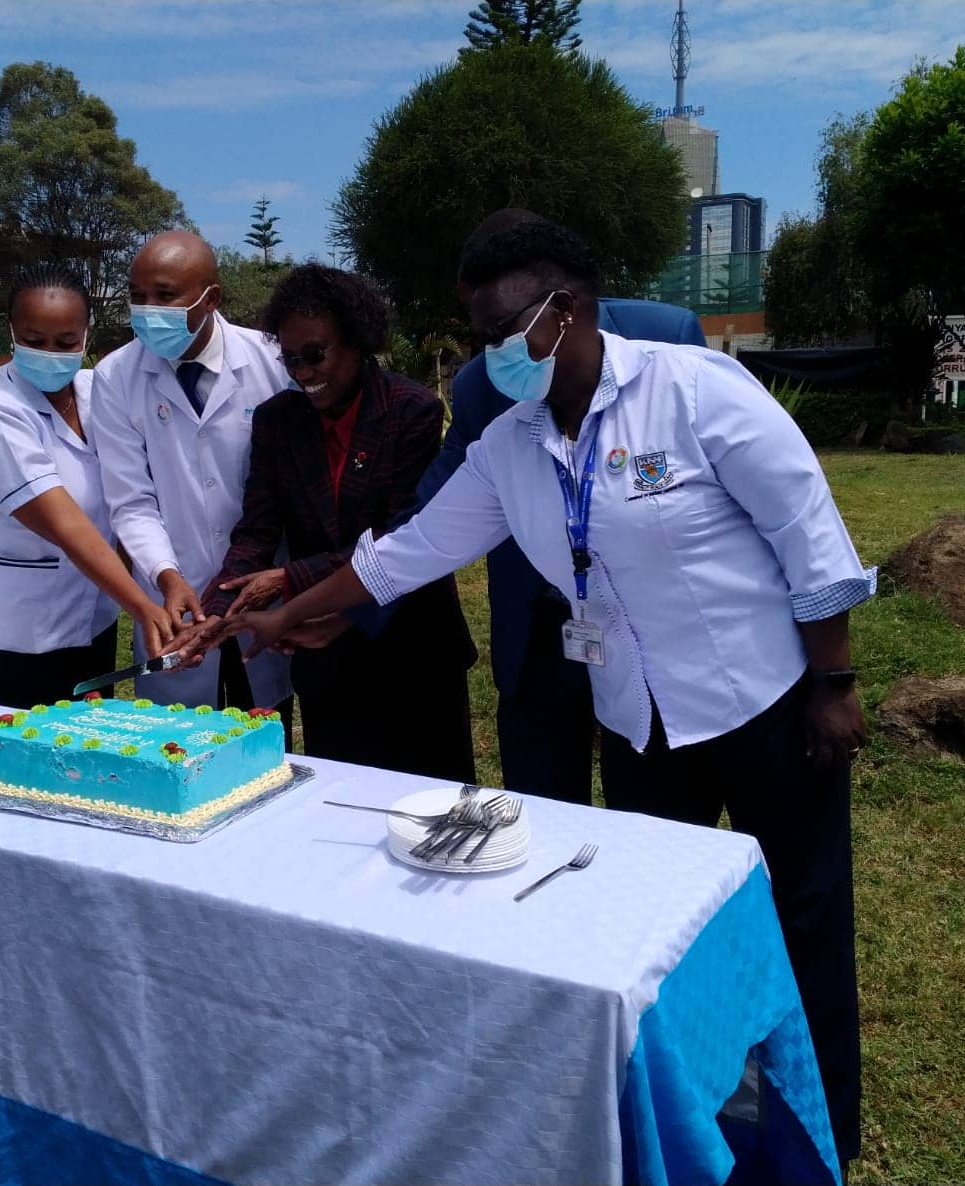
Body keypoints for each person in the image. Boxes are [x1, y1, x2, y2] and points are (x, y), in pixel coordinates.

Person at [219, 218, 873, 1170]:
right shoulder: (510, 446)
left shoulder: (694, 393)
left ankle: (824, 1134)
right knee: (670, 936)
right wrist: (289, 614)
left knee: (803, 916)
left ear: (566, 311)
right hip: (638, 726)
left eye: (503, 329)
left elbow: (807, 531)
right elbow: (406, 554)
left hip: (766, 704)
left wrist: (834, 683)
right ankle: (704, 1125)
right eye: (477, 335)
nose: (491, 356)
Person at [422, 210, 708, 804]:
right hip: (537, 628)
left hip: (645, 629)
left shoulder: (666, 338)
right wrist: (333, 590)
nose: (492, 340)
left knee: (652, 814)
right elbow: (432, 513)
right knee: (544, 806)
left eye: (501, 317)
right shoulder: (481, 383)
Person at [195, 264, 476, 779]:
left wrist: (289, 578)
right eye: (289, 358)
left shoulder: (411, 411)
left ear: (357, 340)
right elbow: (258, 530)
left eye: (315, 354)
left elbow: (400, 539)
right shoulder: (278, 420)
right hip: (327, 663)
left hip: (411, 648)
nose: (302, 372)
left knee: (436, 810)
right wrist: (215, 608)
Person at [0, 262, 177, 710]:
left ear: (86, 335)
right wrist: (143, 605)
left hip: (92, 613)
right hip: (12, 626)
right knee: (23, 756)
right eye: (34, 342)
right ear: (10, 332)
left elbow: (129, 494)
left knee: (89, 739)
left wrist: (154, 578)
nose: (50, 353)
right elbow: (63, 523)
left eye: (66, 342)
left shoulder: (99, 393)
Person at [90, 230, 293, 720]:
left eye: (164, 295)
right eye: (137, 297)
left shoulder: (271, 358)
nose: (147, 310)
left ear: (211, 297)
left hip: (261, 589)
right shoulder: (115, 376)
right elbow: (131, 499)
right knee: (180, 742)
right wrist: (166, 574)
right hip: (173, 597)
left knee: (264, 738)